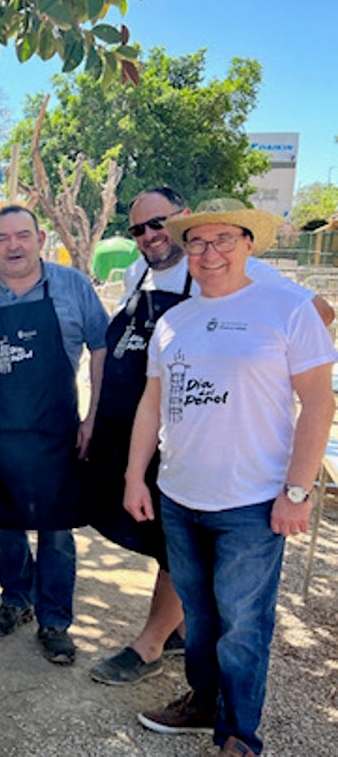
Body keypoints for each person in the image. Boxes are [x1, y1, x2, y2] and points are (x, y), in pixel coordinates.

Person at [86, 189, 334, 685]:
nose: (149, 236)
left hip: (201, 439)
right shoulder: (140, 275)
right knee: (168, 547)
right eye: (138, 229)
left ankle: (152, 644)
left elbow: (319, 312)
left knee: (177, 554)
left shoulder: (235, 269)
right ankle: (181, 635)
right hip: (146, 434)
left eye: (158, 223)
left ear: (181, 219)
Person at [0, 205, 108, 666]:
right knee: (7, 522)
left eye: (22, 236)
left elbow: (101, 346)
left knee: (55, 529)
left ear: (40, 238)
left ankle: (55, 621)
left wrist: (94, 416)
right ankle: (14, 601)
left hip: (56, 432)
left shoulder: (73, 286)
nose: (14, 246)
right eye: (3, 238)